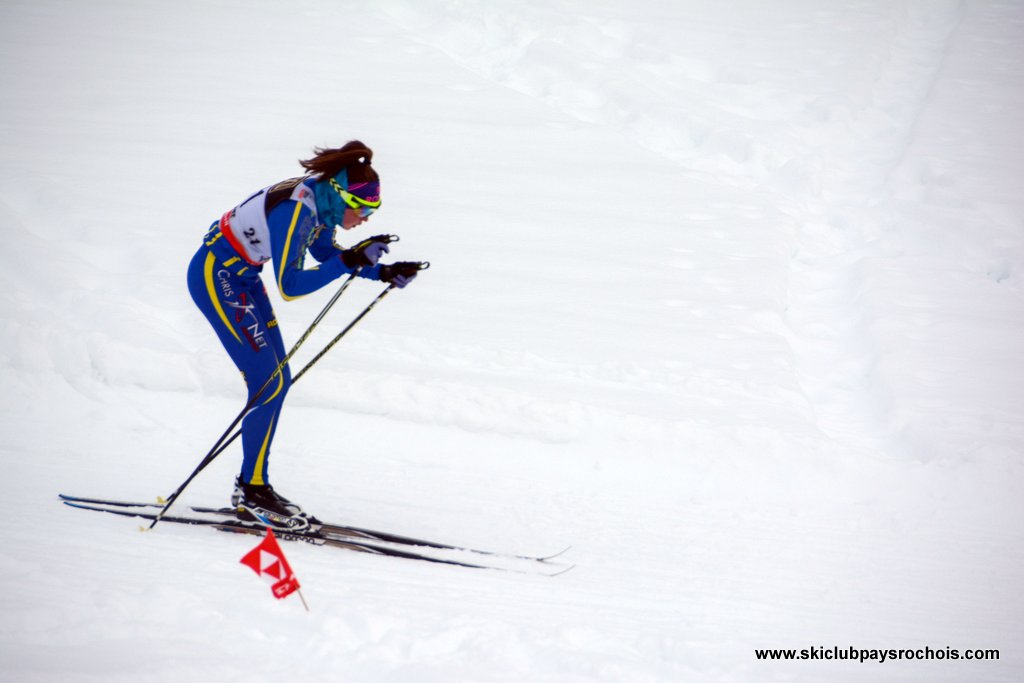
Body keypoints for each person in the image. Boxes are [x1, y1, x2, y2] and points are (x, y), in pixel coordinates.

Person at [186, 141, 422, 530]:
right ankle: (252, 490)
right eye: (363, 210)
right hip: (217, 277)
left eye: (373, 212)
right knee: (269, 384)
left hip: (240, 278)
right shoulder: (298, 210)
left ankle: (255, 485)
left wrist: (377, 270)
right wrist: (349, 260)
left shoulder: (321, 199)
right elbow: (291, 286)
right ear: (342, 196)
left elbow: (324, 252)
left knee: (277, 382)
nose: (365, 219)